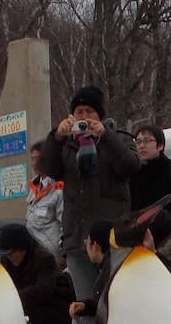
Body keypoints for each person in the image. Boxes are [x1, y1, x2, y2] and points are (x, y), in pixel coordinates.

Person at [38, 85, 141, 303]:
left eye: (90, 112)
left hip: (111, 238)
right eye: (79, 112)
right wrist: (56, 136)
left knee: (115, 300)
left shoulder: (119, 140)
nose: (84, 117)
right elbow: (46, 167)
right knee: (86, 305)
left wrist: (107, 136)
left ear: (100, 115)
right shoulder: (66, 144)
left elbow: (131, 166)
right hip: (77, 239)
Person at [0, 222, 74, 324]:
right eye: (6, 254)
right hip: (24, 308)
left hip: (52, 312)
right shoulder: (6, 261)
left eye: (11, 253)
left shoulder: (44, 259)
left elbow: (43, 290)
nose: (9, 257)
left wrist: (12, 299)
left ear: (22, 248)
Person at [130, 124, 171, 213]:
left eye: (147, 141)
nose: (141, 146)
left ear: (160, 145)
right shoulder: (132, 173)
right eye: (138, 142)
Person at [68, 219, 115, 323]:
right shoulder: (114, 263)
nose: (86, 247)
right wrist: (85, 306)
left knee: (81, 323)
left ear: (95, 246)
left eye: (87, 243)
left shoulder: (111, 270)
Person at [25, 142, 63, 259]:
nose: (34, 163)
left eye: (37, 159)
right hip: (35, 254)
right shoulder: (34, 186)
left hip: (53, 255)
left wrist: (63, 253)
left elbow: (65, 220)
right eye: (32, 159)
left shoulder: (58, 186)